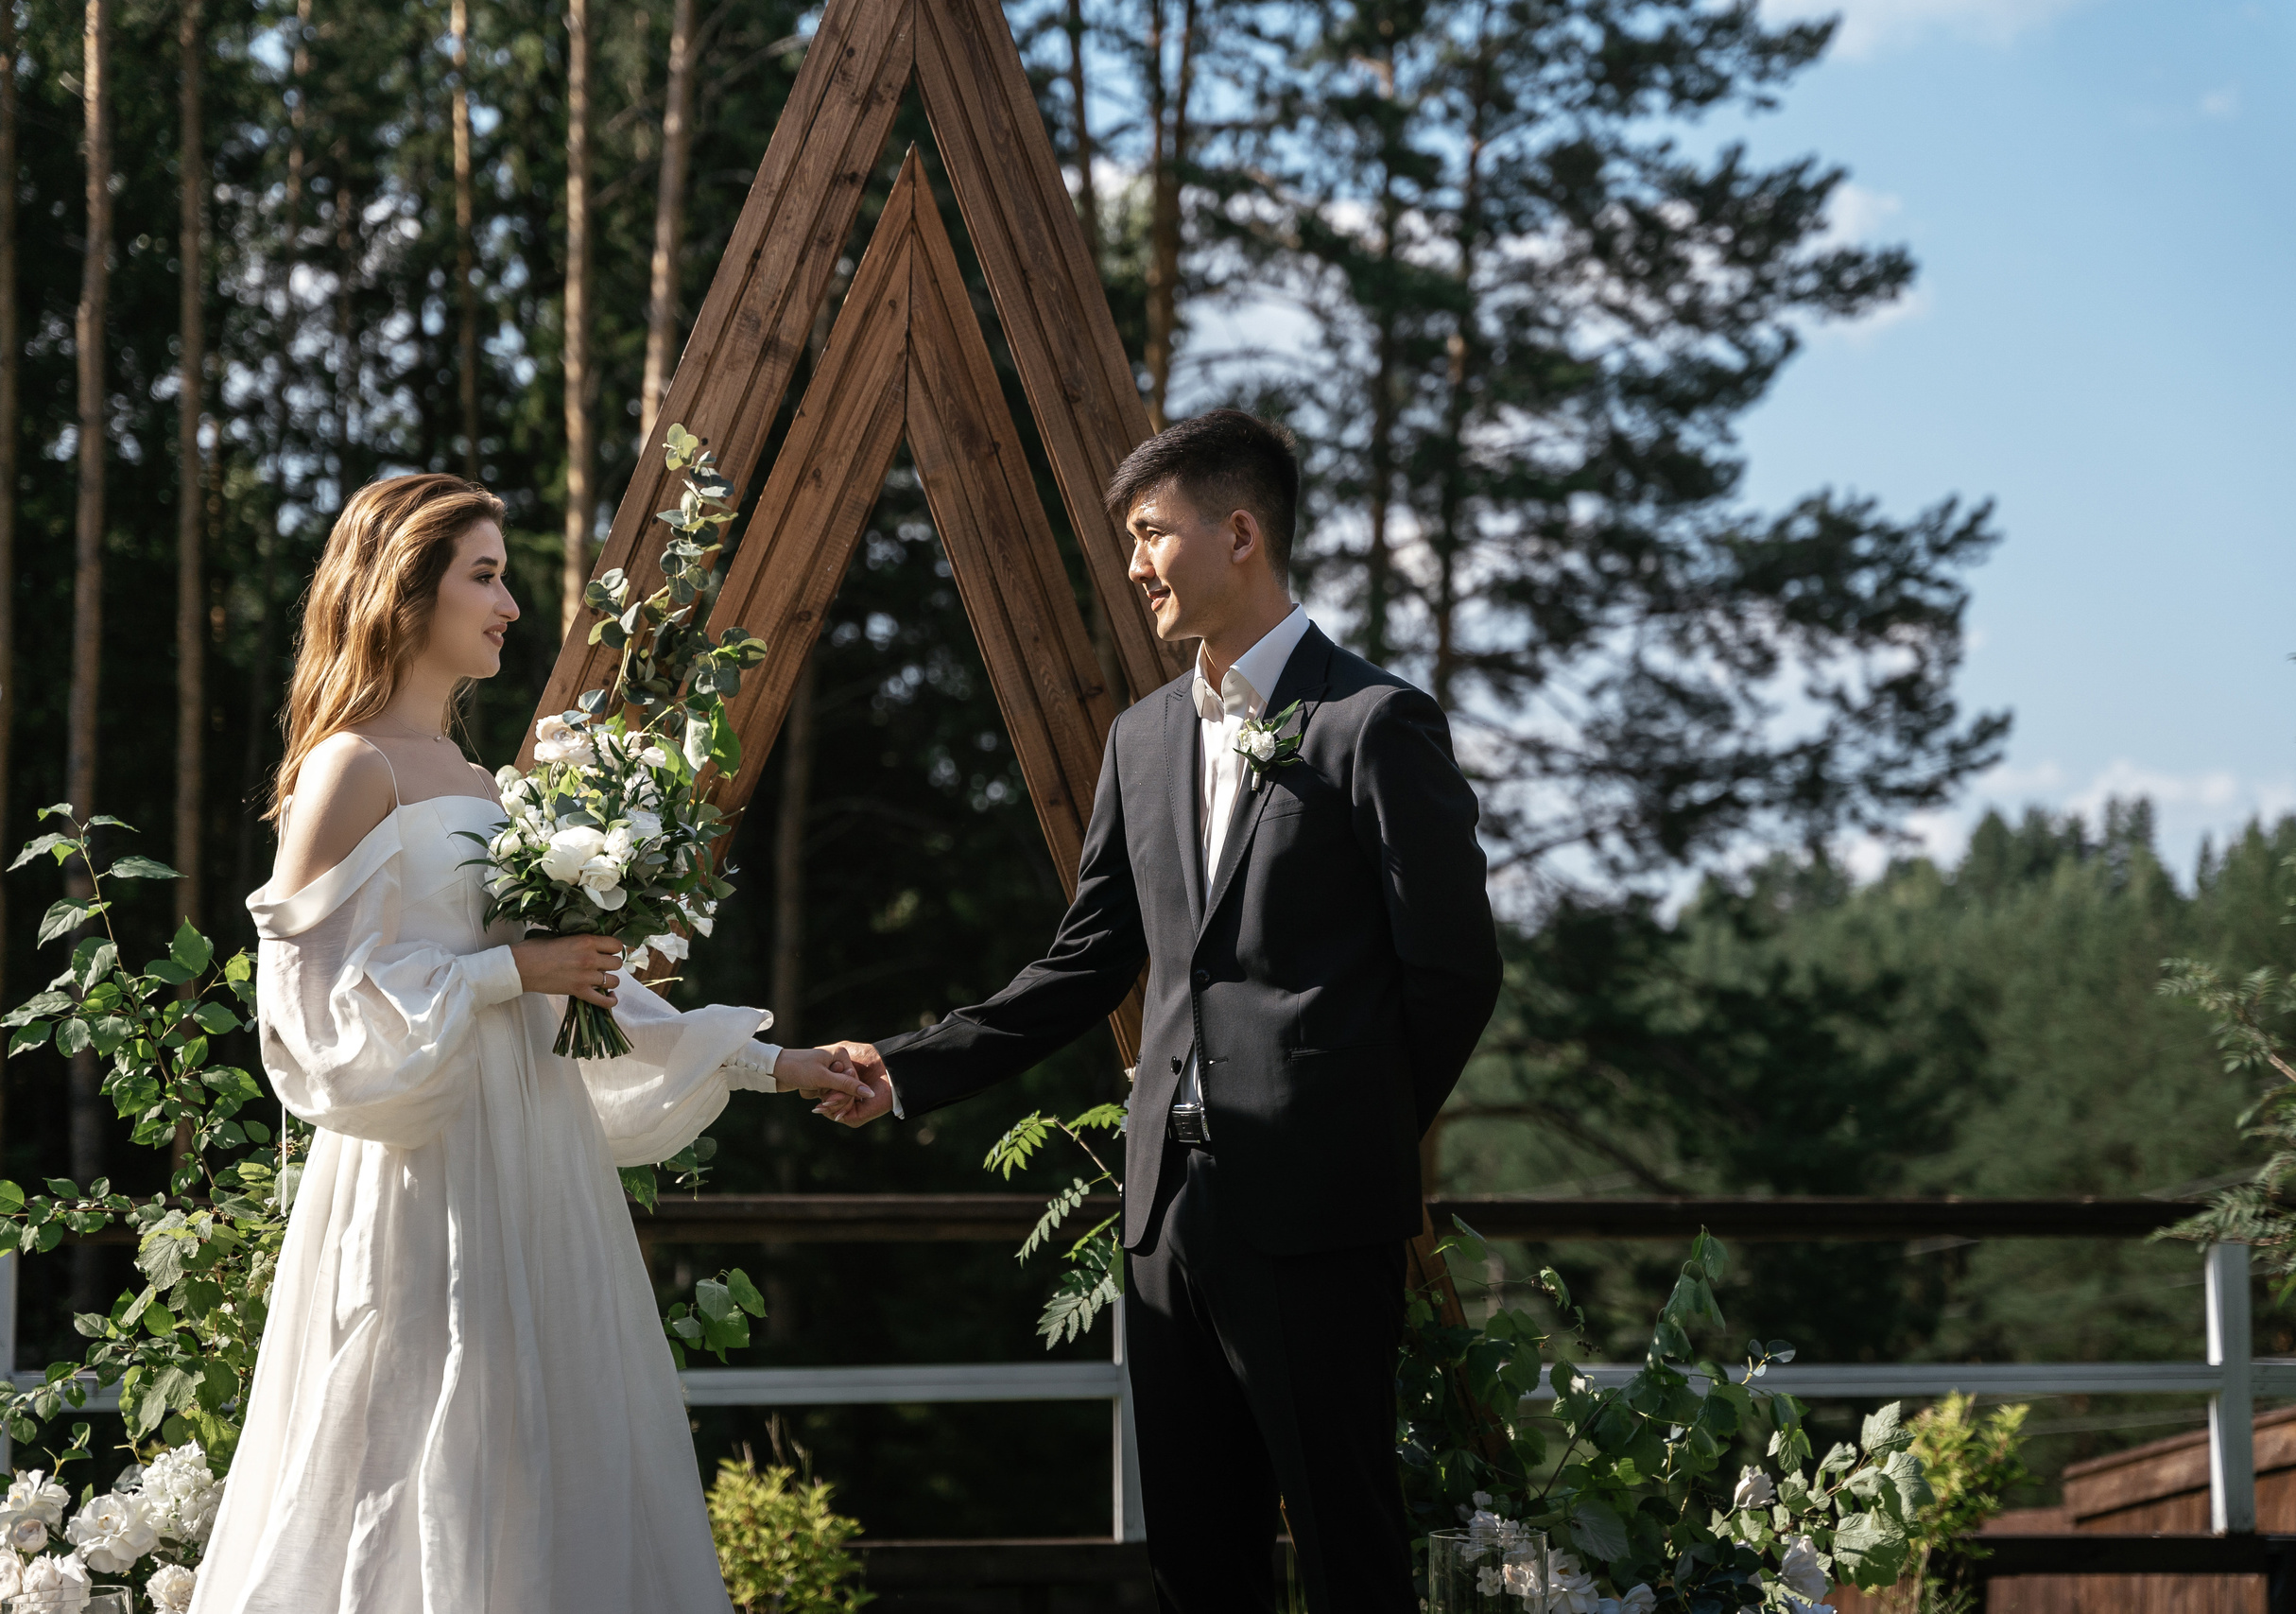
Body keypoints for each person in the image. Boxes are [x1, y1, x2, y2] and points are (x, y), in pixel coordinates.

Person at [817, 410, 1503, 1611]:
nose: (1133, 565)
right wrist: (907, 1065)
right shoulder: (1141, 738)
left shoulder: (1373, 726)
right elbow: (1082, 965)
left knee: (1350, 1544)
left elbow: (1454, 973)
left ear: (1239, 533)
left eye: (1151, 535)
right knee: (1196, 1553)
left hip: (1315, 1209)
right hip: (1165, 1214)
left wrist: (1344, 1123)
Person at [191, 474, 870, 1614]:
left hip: (533, 1168)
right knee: (413, 1447)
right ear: (406, 590)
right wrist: (514, 970)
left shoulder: (480, 785)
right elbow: (307, 1013)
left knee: (534, 1448)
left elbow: (588, 1001)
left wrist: (779, 1064)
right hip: (422, 1172)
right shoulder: (348, 769)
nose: (509, 606)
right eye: (486, 576)